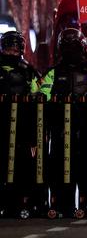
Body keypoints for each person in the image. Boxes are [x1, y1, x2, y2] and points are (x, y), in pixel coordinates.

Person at [39, 28, 87, 218]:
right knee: (58, 168)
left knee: (86, 167)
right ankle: (61, 204)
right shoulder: (53, 73)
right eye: (68, 48)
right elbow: (44, 94)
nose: (72, 52)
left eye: (75, 48)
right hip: (60, 128)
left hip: (86, 128)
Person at [0, 31, 41, 219]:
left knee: (24, 164)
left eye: (16, 48)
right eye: (9, 48)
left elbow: (36, 92)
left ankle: (23, 202)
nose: (12, 52)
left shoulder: (28, 69)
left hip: (24, 123)